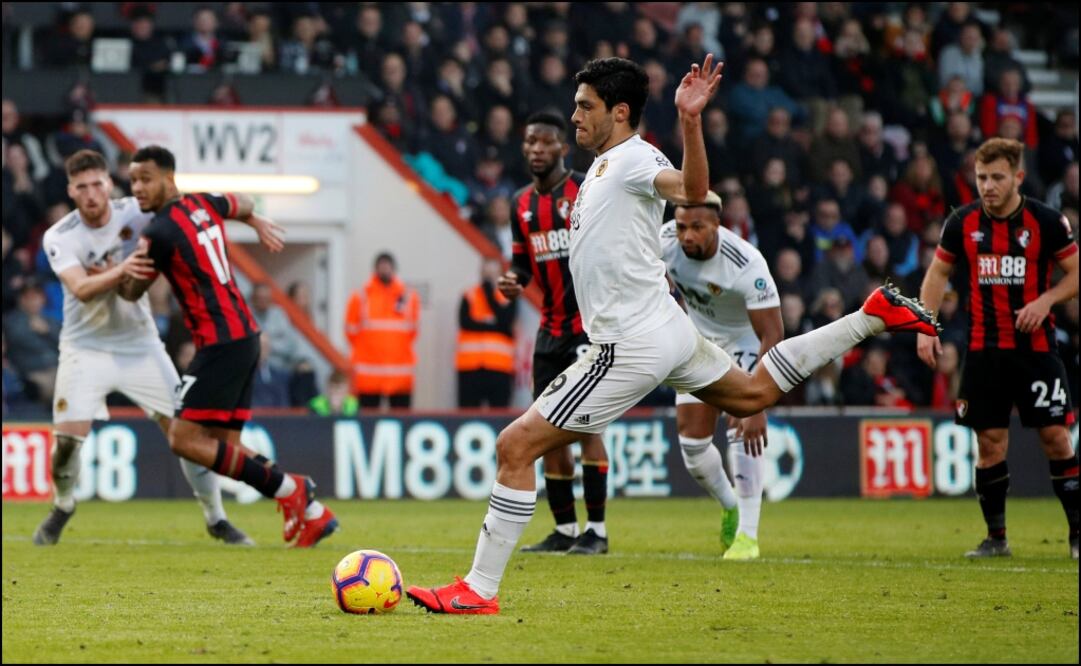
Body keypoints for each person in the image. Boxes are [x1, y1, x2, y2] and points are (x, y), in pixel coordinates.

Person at [406, 55, 940, 615]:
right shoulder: (605, 167)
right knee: (753, 394)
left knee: (514, 446)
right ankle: (874, 314)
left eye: (585, 107)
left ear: (619, 112)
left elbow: (692, 189)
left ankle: (478, 590)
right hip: (665, 327)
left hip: (630, 343)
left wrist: (690, 120)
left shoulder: (636, 159)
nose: (575, 117)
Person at [117, 145, 338, 549]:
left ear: (169, 178)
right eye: (132, 181)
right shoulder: (206, 204)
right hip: (245, 337)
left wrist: (115, 270)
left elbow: (131, 291)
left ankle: (293, 488)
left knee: (182, 438)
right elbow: (246, 200)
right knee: (227, 449)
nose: (137, 188)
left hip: (220, 342)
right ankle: (312, 515)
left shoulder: (160, 232)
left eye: (145, 178)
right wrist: (253, 218)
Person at [31, 150, 251, 546]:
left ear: (108, 185)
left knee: (188, 437)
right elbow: (80, 289)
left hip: (142, 345)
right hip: (85, 348)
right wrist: (124, 269)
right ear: (70, 192)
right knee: (65, 445)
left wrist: (251, 216)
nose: (92, 194)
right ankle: (63, 505)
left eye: (98, 184)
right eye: (82, 187)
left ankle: (216, 517)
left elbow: (196, 207)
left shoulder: (137, 210)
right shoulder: (60, 235)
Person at [917, 137, 1079, 560]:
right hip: (984, 351)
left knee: (1057, 438)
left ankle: (1078, 534)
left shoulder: (1046, 221)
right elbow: (937, 276)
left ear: (1018, 177)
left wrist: (1045, 300)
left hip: (1036, 351)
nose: (987, 186)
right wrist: (925, 325)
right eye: (981, 177)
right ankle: (996, 538)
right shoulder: (962, 223)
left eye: (997, 178)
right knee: (989, 443)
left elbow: (1076, 272)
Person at [497, 111, 611, 556]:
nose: (536, 150)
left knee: (587, 426)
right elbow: (523, 264)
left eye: (546, 143)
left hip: (590, 326)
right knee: (547, 429)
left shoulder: (583, 191)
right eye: (530, 143)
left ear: (564, 148)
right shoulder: (520, 204)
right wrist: (512, 281)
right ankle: (565, 531)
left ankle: (597, 532)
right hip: (550, 331)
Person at [661, 190, 784, 560]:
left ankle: (747, 535)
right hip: (697, 342)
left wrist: (758, 401)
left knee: (741, 430)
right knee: (693, 449)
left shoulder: (746, 263)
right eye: (682, 226)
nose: (687, 236)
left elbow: (772, 334)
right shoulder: (663, 241)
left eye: (697, 227)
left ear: (717, 224)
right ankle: (729, 504)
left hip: (743, 342)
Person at [344, 252, 420, 409]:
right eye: (382, 266)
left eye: (388, 266)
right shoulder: (361, 296)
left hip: (400, 375)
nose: (385, 269)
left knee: (401, 421)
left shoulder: (408, 296)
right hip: (368, 375)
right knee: (368, 422)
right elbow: (350, 331)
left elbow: (413, 331)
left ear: (394, 268)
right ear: (375, 269)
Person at [457, 257, 517, 409]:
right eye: (486, 272)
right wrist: (492, 325)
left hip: (498, 366)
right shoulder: (469, 294)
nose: (489, 276)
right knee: (467, 412)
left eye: (493, 272)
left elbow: (505, 322)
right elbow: (465, 323)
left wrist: (489, 293)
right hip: (470, 366)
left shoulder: (508, 295)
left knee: (499, 414)